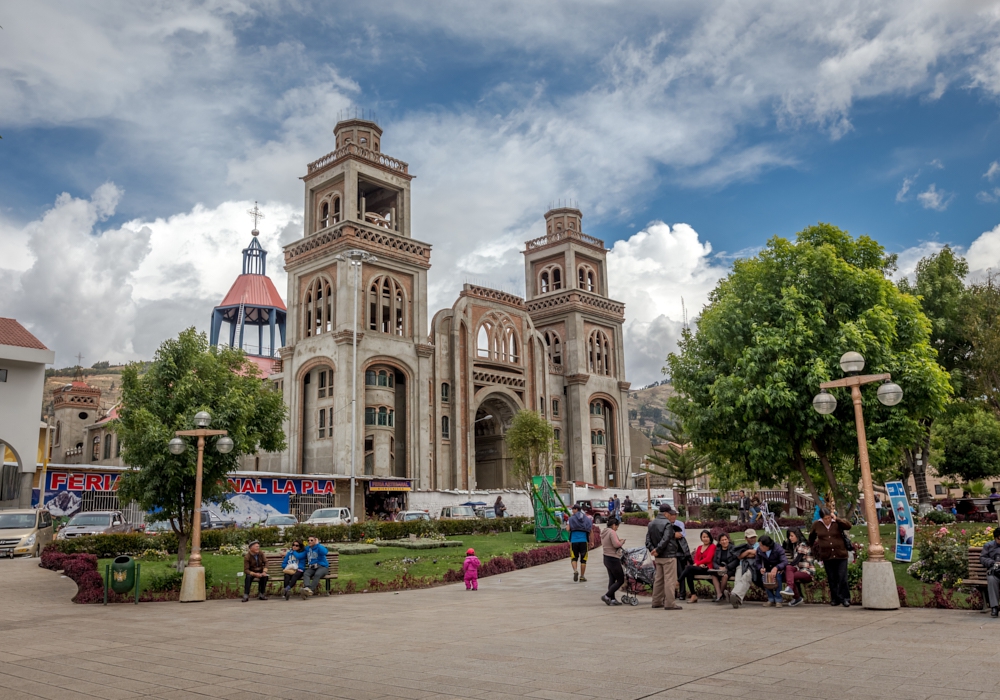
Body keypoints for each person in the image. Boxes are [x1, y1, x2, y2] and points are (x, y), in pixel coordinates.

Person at [808, 508, 852, 607]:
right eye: (825, 518)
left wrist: (837, 519)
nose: (827, 520)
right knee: (832, 578)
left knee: (842, 577)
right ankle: (835, 598)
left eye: (828, 518)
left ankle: (845, 598)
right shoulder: (817, 525)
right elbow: (812, 536)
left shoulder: (836, 522)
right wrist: (809, 546)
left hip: (840, 554)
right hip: (827, 555)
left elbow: (848, 526)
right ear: (821, 518)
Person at [645, 503, 685, 611]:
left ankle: (656, 601)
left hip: (658, 557)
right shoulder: (667, 524)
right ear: (666, 513)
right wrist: (657, 550)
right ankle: (670, 603)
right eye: (670, 513)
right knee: (669, 580)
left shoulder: (651, 523)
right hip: (668, 555)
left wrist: (653, 550)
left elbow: (647, 540)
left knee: (659, 579)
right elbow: (666, 539)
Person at [679, 530, 719, 603]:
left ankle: (678, 581)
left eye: (707, 537)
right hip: (700, 567)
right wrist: (699, 564)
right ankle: (693, 595)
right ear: (701, 538)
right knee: (689, 573)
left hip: (708, 568)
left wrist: (697, 564)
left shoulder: (712, 546)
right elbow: (696, 559)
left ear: (710, 538)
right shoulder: (700, 547)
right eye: (703, 537)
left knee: (689, 568)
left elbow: (708, 559)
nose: (705, 538)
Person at [780, 527, 814, 607]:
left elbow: (797, 560)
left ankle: (794, 593)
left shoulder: (803, 544)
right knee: (788, 572)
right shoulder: (795, 546)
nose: (790, 538)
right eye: (789, 536)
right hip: (798, 571)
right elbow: (784, 548)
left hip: (807, 572)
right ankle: (795, 595)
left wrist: (785, 567)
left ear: (797, 535)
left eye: (792, 536)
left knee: (788, 574)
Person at [729, 528, 761, 608]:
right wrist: (748, 552)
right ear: (746, 538)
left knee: (746, 577)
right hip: (741, 565)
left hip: (753, 566)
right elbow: (739, 557)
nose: (753, 539)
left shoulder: (758, 545)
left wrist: (746, 553)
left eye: (754, 537)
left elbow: (755, 553)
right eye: (750, 537)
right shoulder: (743, 546)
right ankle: (735, 598)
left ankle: (733, 595)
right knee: (738, 578)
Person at [755, 535, 787, 607]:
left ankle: (778, 599)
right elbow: (757, 562)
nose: (759, 547)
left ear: (767, 545)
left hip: (778, 569)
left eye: (761, 545)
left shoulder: (778, 548)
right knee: (764, 577)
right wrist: (760, 568)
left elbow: (784, 561)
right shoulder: (759, 551)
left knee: (777, 577)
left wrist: (777, 567)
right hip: (766, 569)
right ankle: (771, 598)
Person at [600, 518, 626, 605]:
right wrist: (621, 542)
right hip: (613, 558)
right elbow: (616, 544)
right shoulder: (612, 532)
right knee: (620, 580)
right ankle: (607, 596)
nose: (617, 528)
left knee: (612, 579)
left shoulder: (604, 532)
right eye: (617, 526)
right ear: (614, 525)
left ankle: (612, 599)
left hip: (606, 557)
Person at [568, 504, 593, 582]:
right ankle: (582, 576)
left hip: (574, 541)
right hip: (583, 541)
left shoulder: (571, 518)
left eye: (573, 509)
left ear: (576, 509)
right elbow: (591, 531)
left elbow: (568, 528)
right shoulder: (586, 518)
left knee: (574, 558)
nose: (572, 511)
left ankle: (575, 570)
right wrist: (592, 542)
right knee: (583, 560)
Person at [711, 532, 739, 601]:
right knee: (714, 576)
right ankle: (719, 594)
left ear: (728, 540)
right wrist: (718, 567)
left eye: (725, 539)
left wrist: (726, 567)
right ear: (719, 542)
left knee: (725, 576)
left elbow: (736, 560)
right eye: (722, 540)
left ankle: (719, 595)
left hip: (730, 569)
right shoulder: (718, 549)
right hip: (719, 569)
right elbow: (714, 561)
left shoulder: (733, 548)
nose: (724, 541)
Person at [979, 528, 1000, 617]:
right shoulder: (988, 546)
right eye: (999, 539)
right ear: (995, 538)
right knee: (991, 580)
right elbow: (982, 558)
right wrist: (992, 562)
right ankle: (994, 607)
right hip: (994, 571)